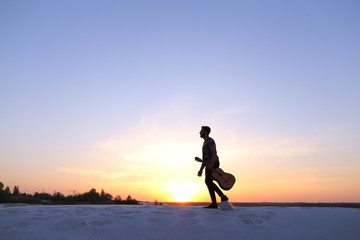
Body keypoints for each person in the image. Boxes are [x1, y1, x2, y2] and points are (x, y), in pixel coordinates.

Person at [196, 126, 228, 208]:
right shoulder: (204, 143)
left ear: (206, 132)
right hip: (208, 164)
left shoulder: (210, 141)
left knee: (208, 181)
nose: (200, 132)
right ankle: (218, 200)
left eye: (201, 131)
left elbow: (214, 153)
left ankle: (220, 199)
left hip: (213, 164)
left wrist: (212, 164)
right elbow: (204, 159)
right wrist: (201, 170)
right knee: (208, 182)